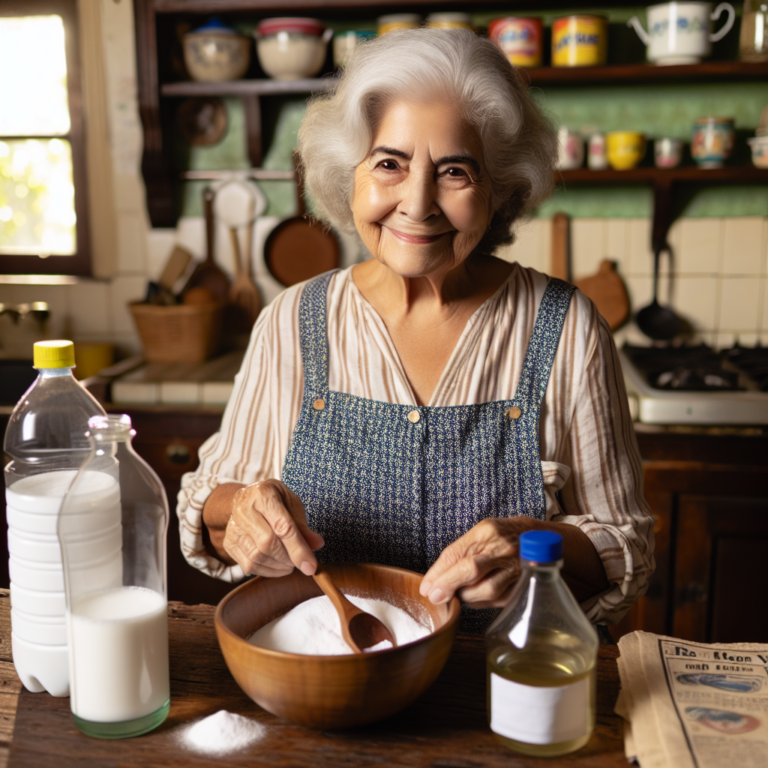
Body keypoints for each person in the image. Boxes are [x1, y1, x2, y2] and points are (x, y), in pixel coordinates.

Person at [178, 28, 654, 631]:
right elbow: (210, 505)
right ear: (349, 173)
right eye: (389, 164)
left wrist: (536, 551)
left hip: (505, 675)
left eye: (455, 171)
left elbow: (626, 545)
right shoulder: (292, 320)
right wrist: (243, 511)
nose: (418, 203)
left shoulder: (568, 329)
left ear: (499, 188)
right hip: (330, 673)